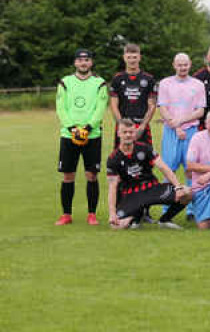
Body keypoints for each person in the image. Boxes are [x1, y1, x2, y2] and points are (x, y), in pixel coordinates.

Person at [55, 48, 109, 225]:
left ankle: (91, 214)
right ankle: (66, 215)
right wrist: (72, 128)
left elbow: (100, 108)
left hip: (92, 135)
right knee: (68, 176)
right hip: (68, 135)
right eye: (79, 60)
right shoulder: (65, 82)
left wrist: (87, 127)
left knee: (91, 175)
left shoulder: (100, 83)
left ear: (91, 62)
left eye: (86, 60)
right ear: (75, 63)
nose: (83, 63)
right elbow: (61, 108)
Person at [106, 120, 192, 230]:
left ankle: (165, 220)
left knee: (188, 193)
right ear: (118, 133)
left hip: (152, 188)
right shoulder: (113, 158)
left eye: (131, 132)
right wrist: (112, 213)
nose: (128, 135)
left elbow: (163, 167)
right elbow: (112, 187)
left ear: (135, 133)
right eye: (124, 132)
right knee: (115, 226)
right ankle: (136, 217)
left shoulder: (145, 148)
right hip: (131, 194)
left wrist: (178, 187)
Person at [157, 53, 206, 219]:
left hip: (191, 132)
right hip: (171, 132)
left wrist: (181, 121)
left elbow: (200, 111)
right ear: (174, 65)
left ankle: (192, 210)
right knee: (168, 171)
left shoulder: (198, 85)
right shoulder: (165, 83)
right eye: (179, 65)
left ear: (190, 64)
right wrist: (176, 126)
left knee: (191, 171)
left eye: (185, 64)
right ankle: (166, 210)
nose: (182, 68)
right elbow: (162, 108)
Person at [109, 43, 157, 147]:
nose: (132, 60)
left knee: (145, 160)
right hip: (123, 126)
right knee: (121, 159)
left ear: (140, 57)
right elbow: (113, 105)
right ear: (124, 58)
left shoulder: (149, 79)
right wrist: (121, 124)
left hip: (141, 125)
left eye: (135, 57)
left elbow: (152, 105)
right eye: (129, 57)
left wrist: (142, 126)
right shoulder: (117, 79)